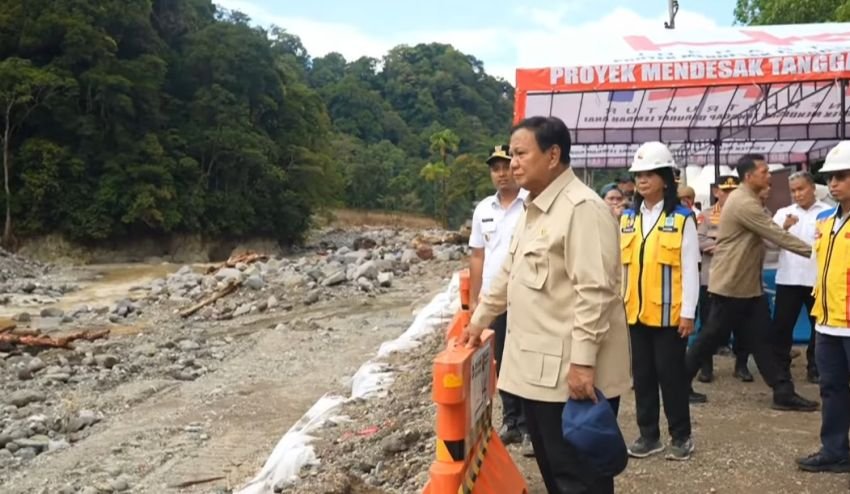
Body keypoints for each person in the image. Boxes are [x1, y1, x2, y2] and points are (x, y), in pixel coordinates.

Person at [462, 116, 631, 494]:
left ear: (553, 155)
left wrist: (584, 362)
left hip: (569, 374)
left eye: (521, 154)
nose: (514, 163)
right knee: (555, 471)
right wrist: (478, 320)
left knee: (579, 477)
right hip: (539, 374)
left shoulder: (581, 209)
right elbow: (507, 271)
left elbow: (595, 292)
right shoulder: (535, 208)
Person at [684, 154, 818, 411]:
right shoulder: (744, 203)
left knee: (761, 341)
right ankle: (678, 382)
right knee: (711, 337)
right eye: (764, 172)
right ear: (749, 176)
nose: (769, 176)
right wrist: (820, 252)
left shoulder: (747, 201)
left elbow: (769, 239)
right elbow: (776, 235)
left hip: (745, 286)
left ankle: (782, 390)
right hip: (733, 285)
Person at [619, 142, 699, 461]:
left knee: (672, 377)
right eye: (639, 174)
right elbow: (620, 269)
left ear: (665, 178)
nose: (642, 180)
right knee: (643, 377)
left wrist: (689, 313)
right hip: (636, 314)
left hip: (669, 316)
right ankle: (648, 435)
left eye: (650, 174)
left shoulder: (682, 218)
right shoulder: (628, 218)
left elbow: (690, 269)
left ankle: (681, 436)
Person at [468, 144, 531, 455]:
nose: (502, 173)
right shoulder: (483, 209)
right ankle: (512, 422)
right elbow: (478, 256)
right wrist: (474, 302)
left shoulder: (531, 204)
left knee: (528, 357)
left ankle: (532, 424)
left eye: (506, 166)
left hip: (528, 296)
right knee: (502, 360)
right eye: (495, 168)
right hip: (494, 299)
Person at [796, 141, 850, 474]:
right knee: (830, 389)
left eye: (841, 176)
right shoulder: (826, 220)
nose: (832, 184)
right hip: (828, 322)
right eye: (830, 177)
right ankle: (835, 450)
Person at [770, 171, 831, 385]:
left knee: (819, 326)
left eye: (801, 189)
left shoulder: (828, 213)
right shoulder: (782, 214)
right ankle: (780, 368)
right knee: (782, 327)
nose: (797, 194)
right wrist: (784, 228)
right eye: (793, 191)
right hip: (789, 279)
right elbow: (769, 245)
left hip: (817, 280)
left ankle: (815, 367)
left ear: (812, 188)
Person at [695, 176, 753, 384]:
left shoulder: (748, 211)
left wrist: (718, 243)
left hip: (740, 278)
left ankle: (742, 365)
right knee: (709, 324)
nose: (729, 195)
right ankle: (705, 367)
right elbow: (698, 240)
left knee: (743, 324)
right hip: (711, 278)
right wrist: (726, 246)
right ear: (716, 192)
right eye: (725, 190)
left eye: (733, 190)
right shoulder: (706, 215)